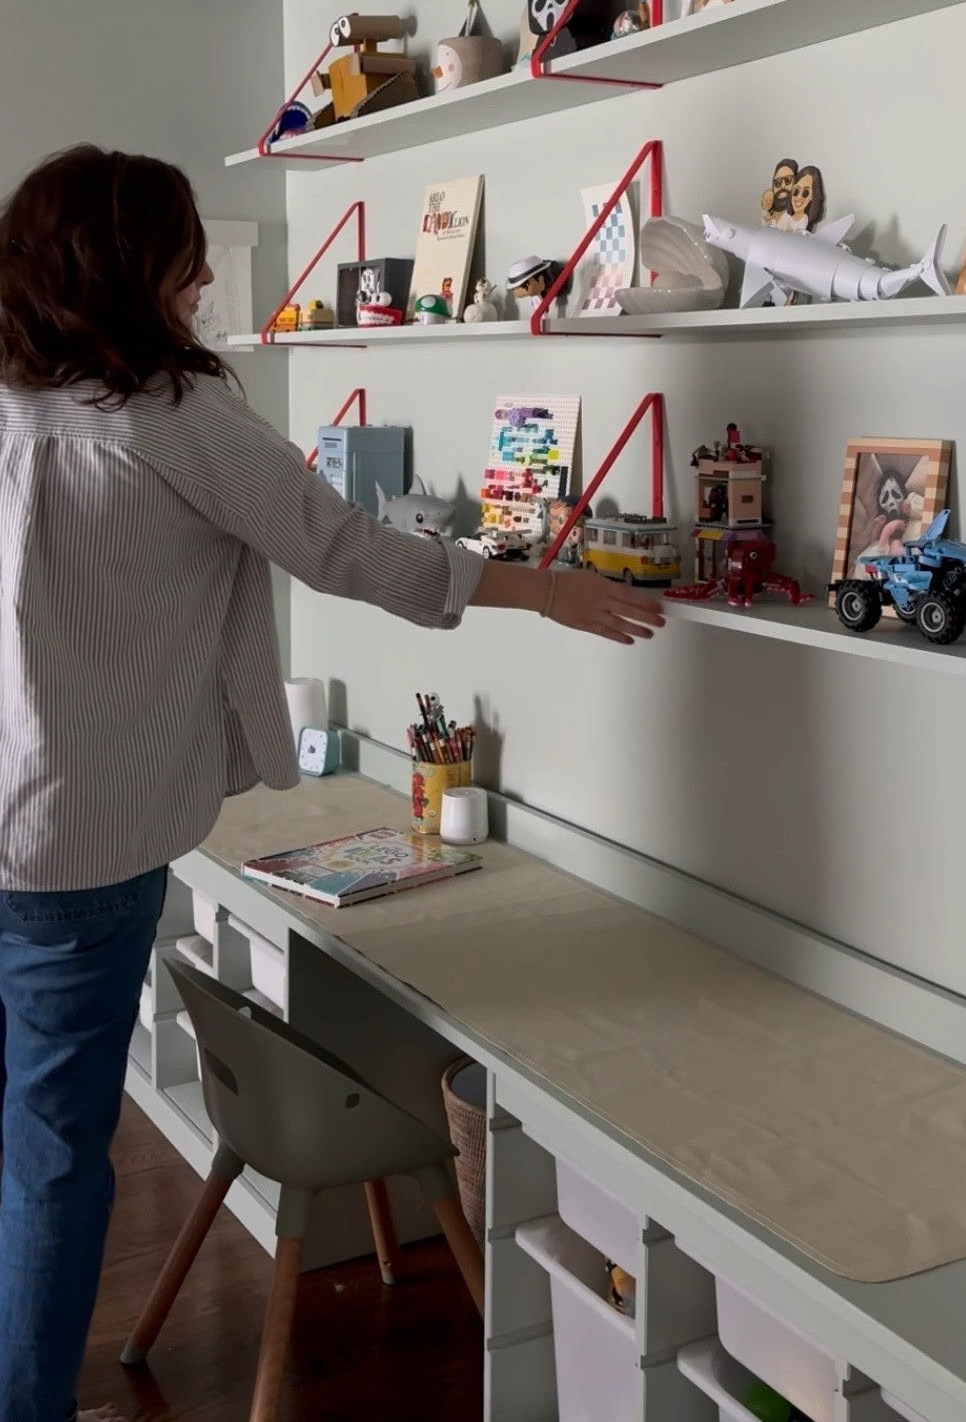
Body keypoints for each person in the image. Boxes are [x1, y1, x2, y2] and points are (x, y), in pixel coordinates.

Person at [0, 145, 666, 1422]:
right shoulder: (167, 417)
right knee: (50, 1160)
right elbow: (347, 548)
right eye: (184, 257)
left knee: (21, 1147)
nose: (201, 280)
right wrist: (540, 589)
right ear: (128, 266)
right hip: (71, 847)